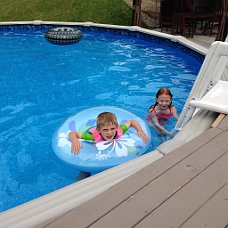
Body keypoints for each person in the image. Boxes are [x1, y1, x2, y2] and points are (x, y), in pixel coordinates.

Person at [69, 111, 148, 155]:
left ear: (116, 127)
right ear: (99, 130)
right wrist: (75, 140)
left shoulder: (119, 130)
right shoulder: (92, 137)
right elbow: (72, 133)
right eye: (105, 130)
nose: (109, 132)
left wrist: (140, 131)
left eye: (112, 128)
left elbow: (132, 121)